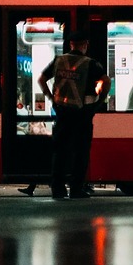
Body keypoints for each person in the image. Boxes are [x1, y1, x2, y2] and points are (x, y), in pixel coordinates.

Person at [37, 33, 109, 200]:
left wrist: (51, 98)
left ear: (71, 44)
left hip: (62, 112)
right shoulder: (90, 63)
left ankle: (58, 189)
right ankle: (76, 189)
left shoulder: (58, 61)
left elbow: (41, 79)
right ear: (85, 45)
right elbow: (106, 81)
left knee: (60, 151)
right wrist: (99, 102)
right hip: (82, 113)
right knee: (81, 152)